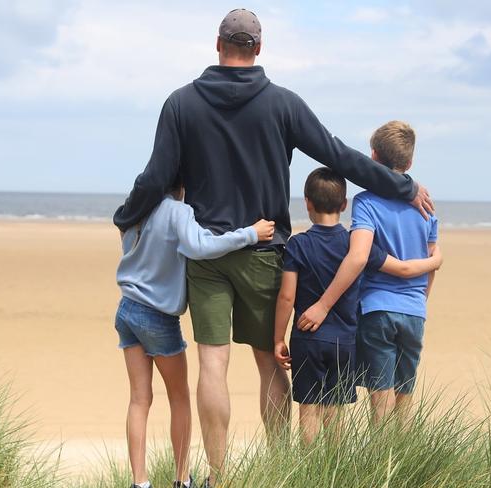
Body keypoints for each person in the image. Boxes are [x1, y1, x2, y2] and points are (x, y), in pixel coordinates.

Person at [113, 9, 434, 487]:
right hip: (267, 252)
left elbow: (157, 177)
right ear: (258, 49)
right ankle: (281, 470)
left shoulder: (181, 103)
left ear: (217, 44)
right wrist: (400, 186)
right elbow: (339, 155)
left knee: (213, 364)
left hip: (208, 256)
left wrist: (126, 215)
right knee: (269, 360)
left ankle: (217, 479)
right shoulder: (282, 103)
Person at [115, 174, 275, 488]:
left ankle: (140, 482)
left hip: (126, 309)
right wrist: (250, 234)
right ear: (183, 183)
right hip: (158, 316)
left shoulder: (134, 210)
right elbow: (201, 245)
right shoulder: (177, 211)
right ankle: (182, 479)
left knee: (138, 399)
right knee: (179, 398)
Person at [273, 167, 442, 444]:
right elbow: (399, 267)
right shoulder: (356, 245)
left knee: (309, 409)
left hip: (307, 338)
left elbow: (287, 297)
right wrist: (434, 261)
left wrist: (278, 338)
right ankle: (335, 469)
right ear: (343, 205)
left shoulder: (297, 244)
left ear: (307, 203)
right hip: (345, 340)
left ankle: (308, 471)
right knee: (335, 411)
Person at [296, 121, 439, 424]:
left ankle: (379, 465)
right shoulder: (426, 207)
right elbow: (431, 263)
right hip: (415, 311)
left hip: (377, 309)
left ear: (372, 158)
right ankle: (402, 461)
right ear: (410, 162)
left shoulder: (366, 202)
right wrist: (419, 301)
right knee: (405, 395)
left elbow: (359, 256)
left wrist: (323, 305)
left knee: (381, 399)